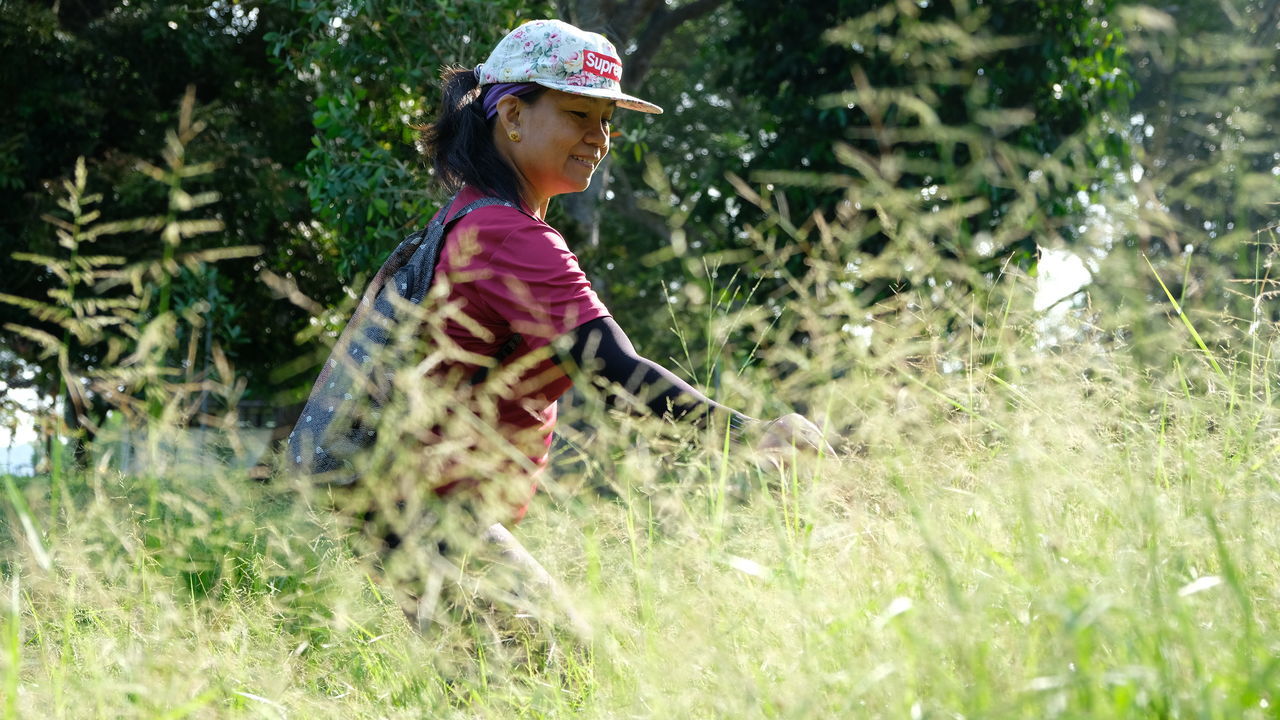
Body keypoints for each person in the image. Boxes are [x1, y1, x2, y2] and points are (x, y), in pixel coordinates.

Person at [288, 19, 830, 634]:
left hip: (406, 501)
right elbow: (614, 371)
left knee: (499, 687)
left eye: (606, 121)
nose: (599, 138)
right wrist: (752, 434)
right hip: (428, 509)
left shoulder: (472, 216)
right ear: (513, 115)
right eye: (579, 115)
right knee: (570, 673)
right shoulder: (507, 236)